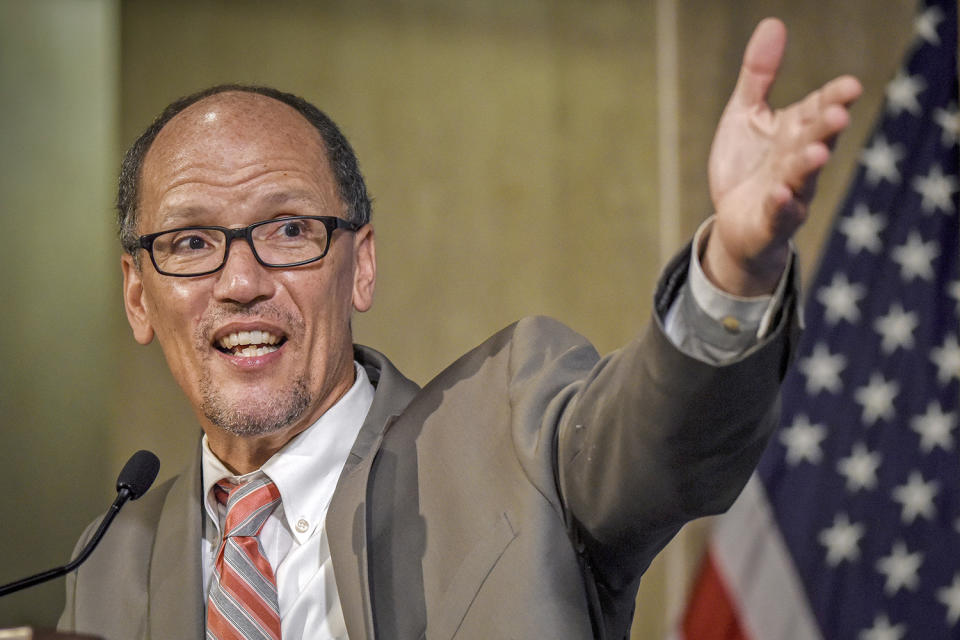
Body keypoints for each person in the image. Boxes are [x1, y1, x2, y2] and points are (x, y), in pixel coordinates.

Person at [58, 18, 860, 640]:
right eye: (191, 243)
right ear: (138, 294)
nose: (241, 282)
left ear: (360, 265)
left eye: (290, 230)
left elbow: (665, 442)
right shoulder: (111, 558)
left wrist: (735, 265)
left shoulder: (511, 430)